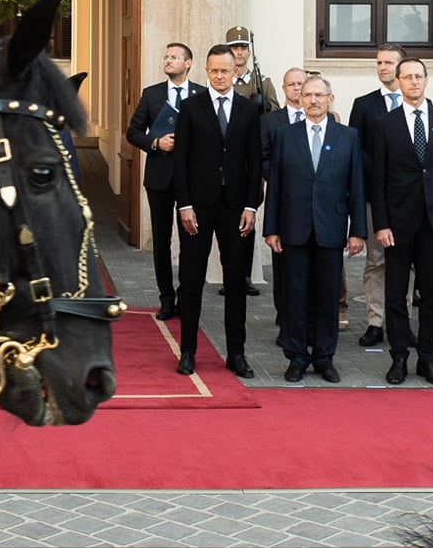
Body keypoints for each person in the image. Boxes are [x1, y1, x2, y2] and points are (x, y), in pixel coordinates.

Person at [262, 75, 364, 382]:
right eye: (307, 95)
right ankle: (296, 357)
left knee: (327, 296)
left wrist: (357, 230)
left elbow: (356, 186)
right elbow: (276, 185)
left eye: (319, 95)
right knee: (294, 295)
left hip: (331, 229)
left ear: (330, 99)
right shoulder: (285, 135)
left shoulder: (348, 136)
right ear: (299, 99)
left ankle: (324, 357)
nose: (313, 100)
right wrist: (271, 228)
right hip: (293, 228)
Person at [171, 44, 264, 378]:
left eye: (226, 70)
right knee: (191, 280)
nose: (220, 76)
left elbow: (255, 163)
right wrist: (185, 204)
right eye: (214, 70)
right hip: (197, 207)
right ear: (206, 71)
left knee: (236, 282)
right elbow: (179, 160)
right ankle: (187, 352)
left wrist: (252, 205)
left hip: (237, 208)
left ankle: (236, 353)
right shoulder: (191, 107)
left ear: (235, 72)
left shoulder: (248, 110)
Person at [367, 58, 433, 387]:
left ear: (426, 79)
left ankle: (428, 359)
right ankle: (399, 358)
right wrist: (380, 224)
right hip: (397, 224)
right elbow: (376, 180)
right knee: (396, 293)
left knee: (431, 294)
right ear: (399, 81)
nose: (413, 82)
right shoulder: (384, 124)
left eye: (418, 76)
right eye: (407, 77)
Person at [124, 42, 197, 319]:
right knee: (162, 241)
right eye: (165, 56)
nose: (168, 61)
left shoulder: (201, 95)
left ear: (188, 63)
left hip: (191, 181)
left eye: (174, 57)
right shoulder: (152, 94)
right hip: (159, 179)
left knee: (192, 243)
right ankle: (167, 299)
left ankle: (188, 297)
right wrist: (155, 142)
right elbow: (133, 132)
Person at [346, 43, 407, 348]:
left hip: (410, 199)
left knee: (406, 262)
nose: (382, 67)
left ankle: (403, 321)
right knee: (377, 260)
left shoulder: (417, 102)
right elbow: (356, 150)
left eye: (388, 62)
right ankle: (375, 322)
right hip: (375, 195)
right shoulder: (364, 105)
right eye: (379, 62)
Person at [259, 67, 309, 342]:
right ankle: (285, 319)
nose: (297, 89)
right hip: (284, 203)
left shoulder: (324, 118)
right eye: (291, 84)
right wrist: (281, 181)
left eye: (301, 84)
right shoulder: (270, 121)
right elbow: (263, 158)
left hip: (314, 205)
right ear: (283, 88)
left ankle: (308, 321)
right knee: (283, 268)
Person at [224, 24, 277, 112]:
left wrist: (266, 106)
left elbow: (277, 114)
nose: (240, 52)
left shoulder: (264, 83)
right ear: (227, 53)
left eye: (244, 48)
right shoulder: (221, 81)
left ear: (249, 52)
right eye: (235, 48)